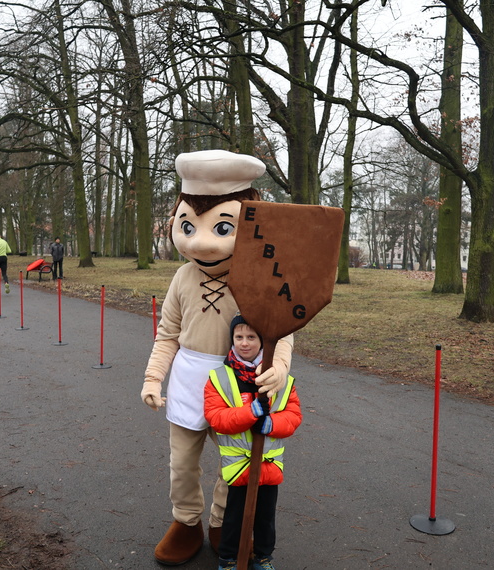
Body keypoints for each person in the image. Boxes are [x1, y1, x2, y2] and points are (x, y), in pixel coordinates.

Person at [142, 150, 294, 565]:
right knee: (182, 463)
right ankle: (186, 521)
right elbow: (167, 333)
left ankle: (223, 521)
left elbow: (281, 332)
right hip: (190, 380)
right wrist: (154, 378)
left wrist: (279, 368)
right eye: (188, 225)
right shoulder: (182, 276)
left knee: (236, 462)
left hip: (237, 384)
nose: (201, 241)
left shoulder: (258, 277)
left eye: (223, 226)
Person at [204, 315, 301, 570]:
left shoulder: (281, 379)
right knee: (234, 516)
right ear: (231, 340)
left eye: (251, 337)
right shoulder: (219, 377)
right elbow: (216, 418)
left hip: (268, 466)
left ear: (263, 342)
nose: (244, 343)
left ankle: (263, 557)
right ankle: (228, 559)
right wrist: (251, 414)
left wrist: (271, 424)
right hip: (238, 467)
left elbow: (293, 416)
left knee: (265, 518)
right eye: (239, 337)